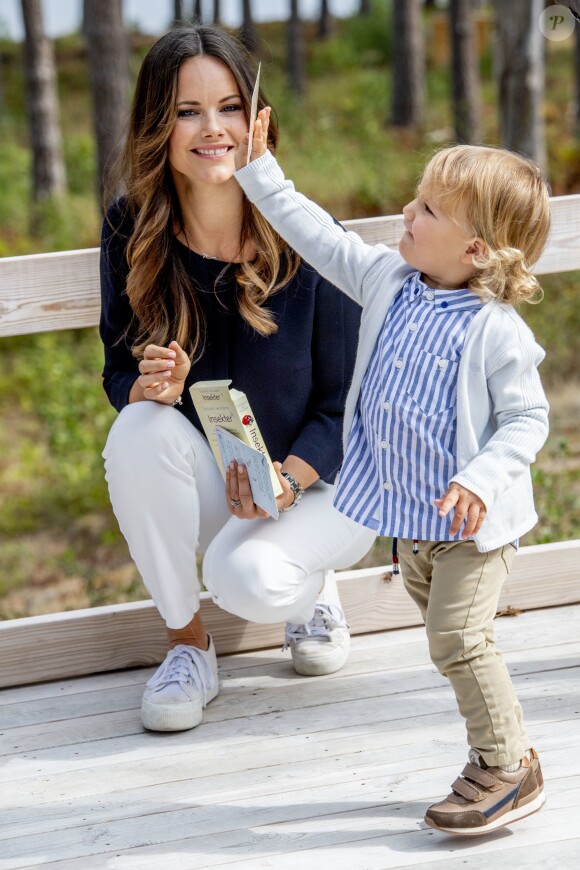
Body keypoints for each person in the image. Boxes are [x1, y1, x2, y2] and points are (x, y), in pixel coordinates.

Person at [234, 111, 551, 836]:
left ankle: (506, 766)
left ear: (474, 247)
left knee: (458, 641)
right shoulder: (386, 279)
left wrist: (480, 478)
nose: (406, 212)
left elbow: (527, 421)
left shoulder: (497, 330)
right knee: (448, 637)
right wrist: (259, 170)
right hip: (411, 524)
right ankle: (501, 753)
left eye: (428, 209)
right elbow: (317, 235)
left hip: (469, 525)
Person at [99, 27, 376, 734]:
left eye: (228, 106)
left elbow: (348, 406)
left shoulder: (307, 235)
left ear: (259, 120)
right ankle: (188, 647)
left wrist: (287, 479)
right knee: (137, 430)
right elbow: (117, 367)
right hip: (228, 483)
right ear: (158, 124)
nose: (212, 128)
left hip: (324, 487)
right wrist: (149, 387)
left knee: (250, 581)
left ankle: (312, 585)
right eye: (188, 110)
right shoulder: (132, 228)